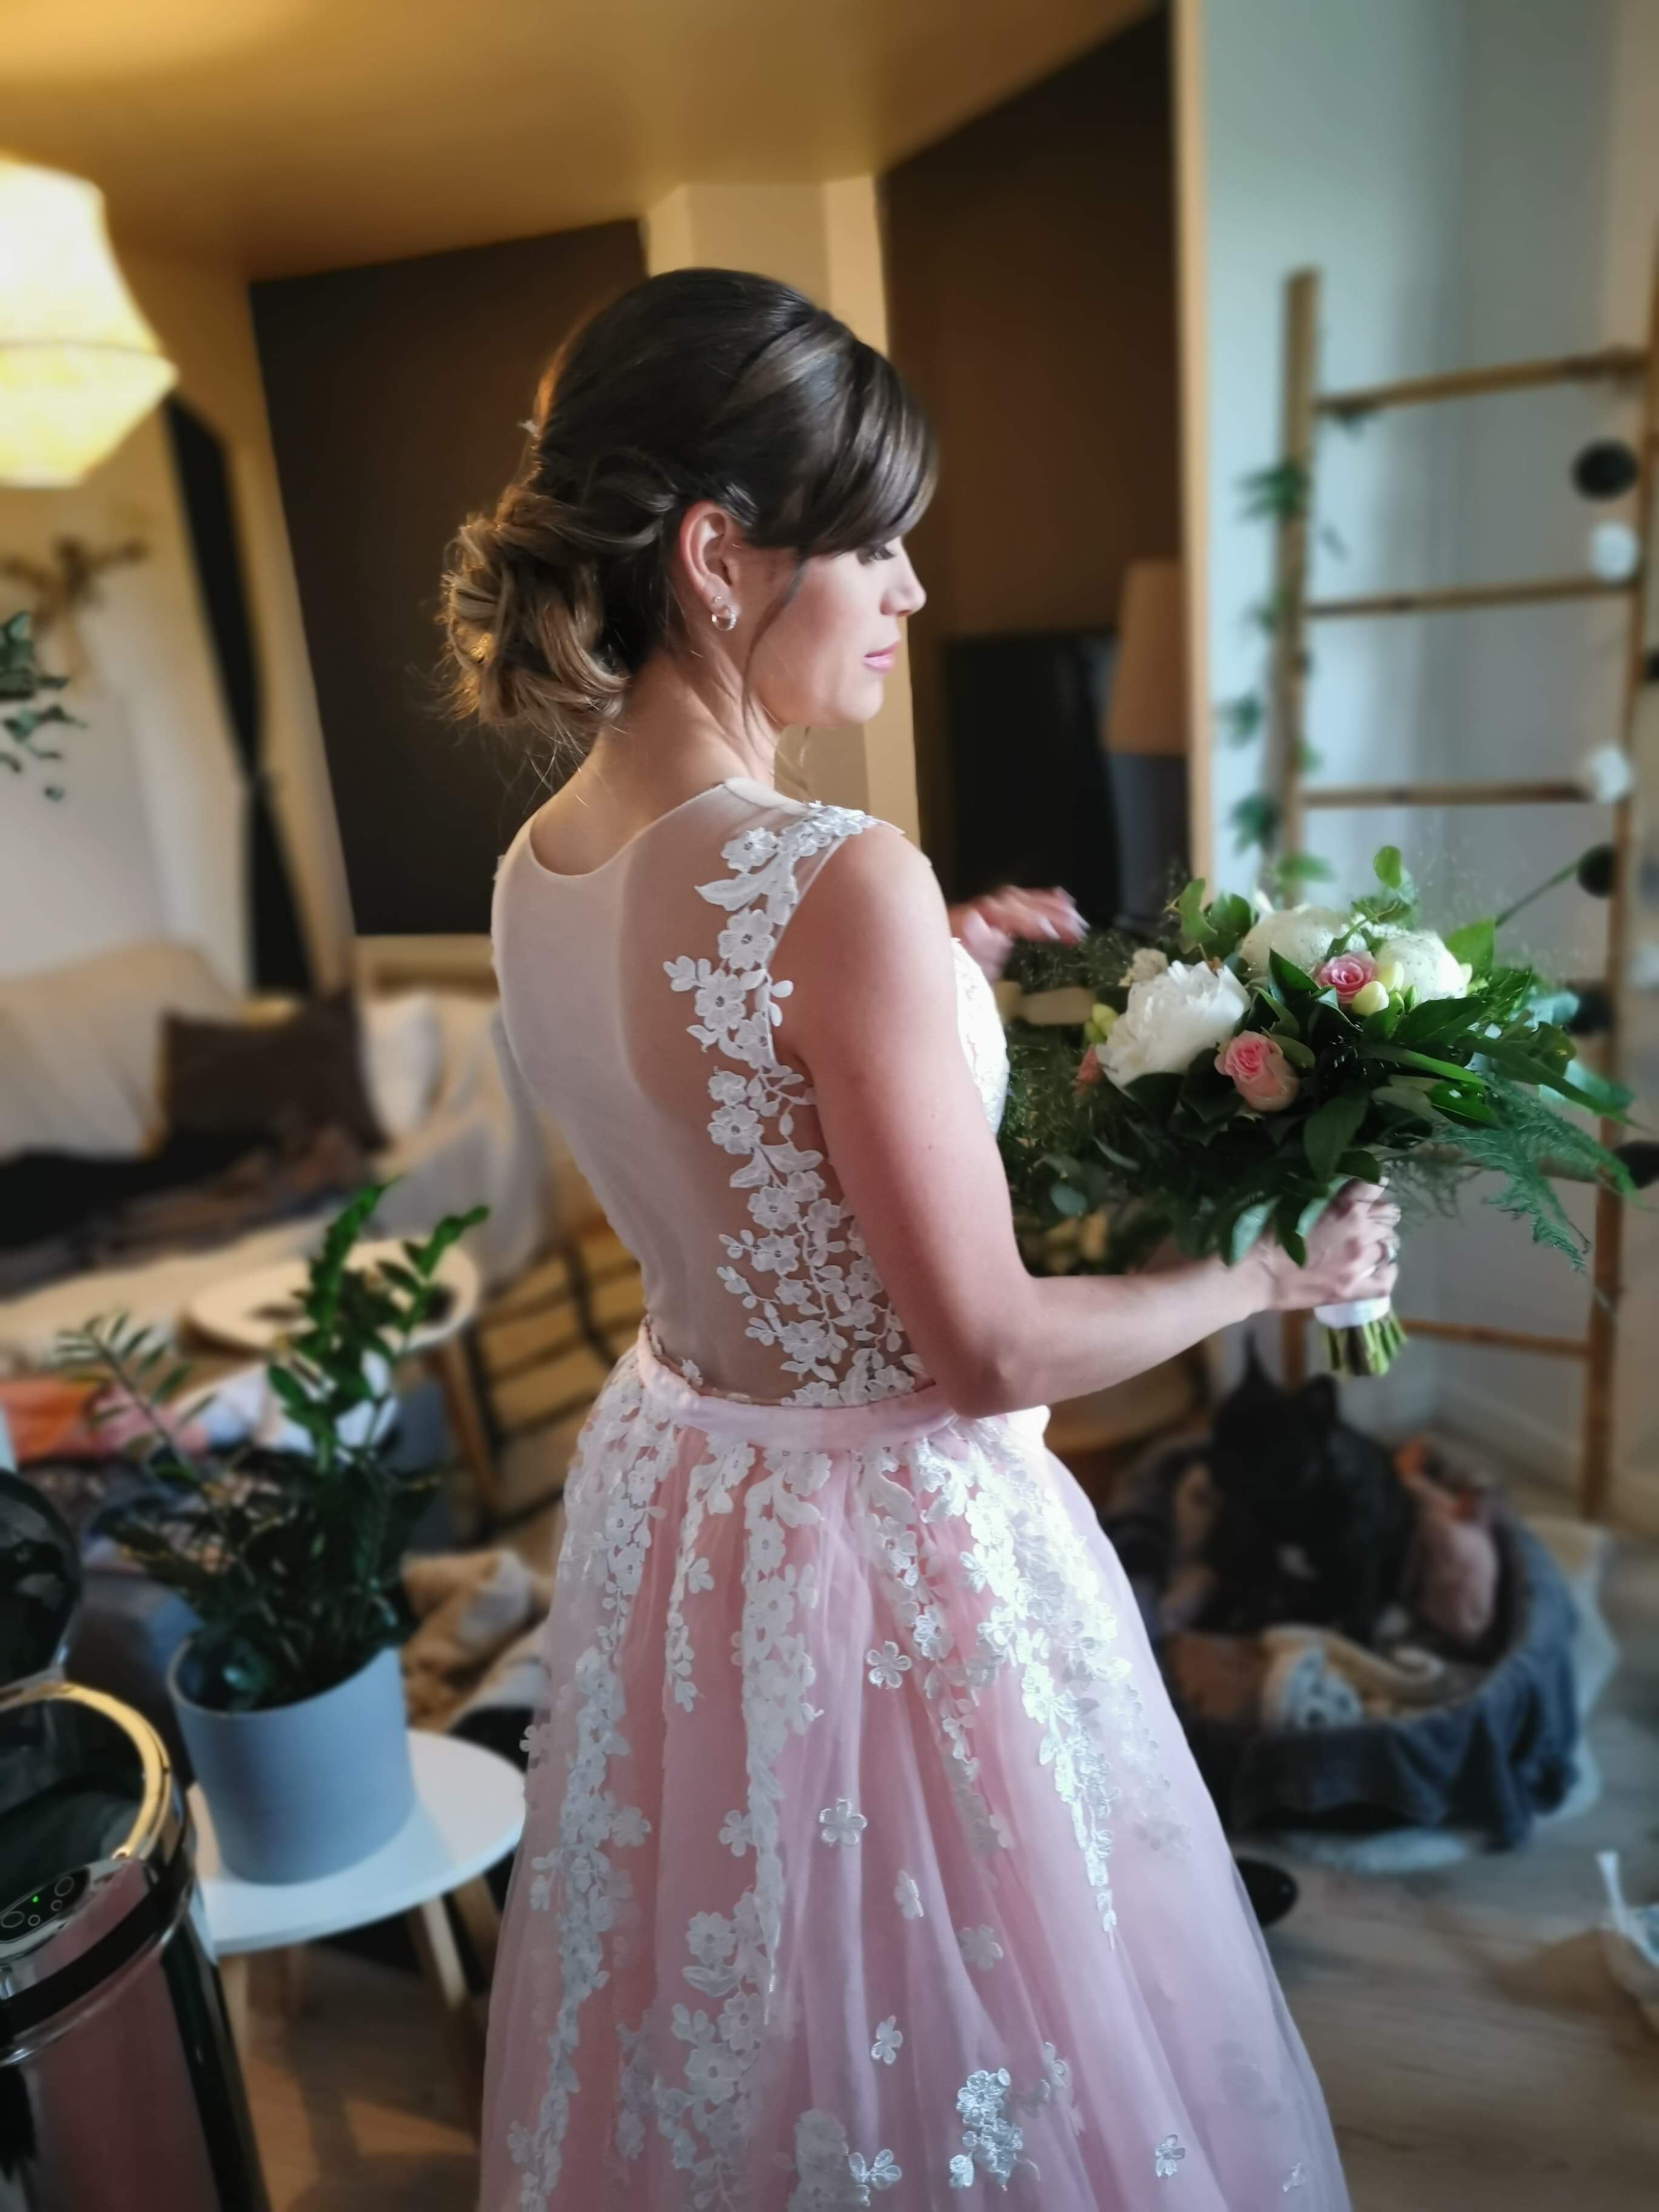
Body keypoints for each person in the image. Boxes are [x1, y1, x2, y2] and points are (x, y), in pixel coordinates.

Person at [447, 267, 1396, 2210]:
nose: (913, 590)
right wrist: (1276, 1268)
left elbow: (713, 1096)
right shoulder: (831, 880)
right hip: (883, 1550)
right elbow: (988, 1350)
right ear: (718, 556)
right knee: (990, 2018)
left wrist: (932, 974)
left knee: (733, 2007)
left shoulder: (537, 864)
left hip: (687, 1500)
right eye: (876, 544)